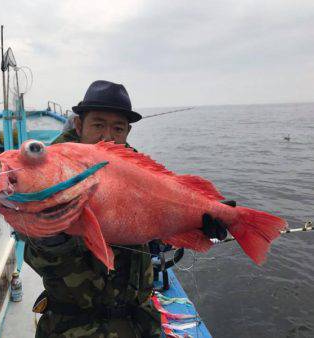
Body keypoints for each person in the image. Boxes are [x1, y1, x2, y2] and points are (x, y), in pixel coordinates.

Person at [24, 80, 228, 337]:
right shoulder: (51, 172)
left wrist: (199, 223)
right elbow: (37, 254)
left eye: (118, 128)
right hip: (74, 326)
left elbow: (156, 229)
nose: (107, 136)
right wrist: (52, 228)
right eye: (98, 124)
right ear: (79, 125)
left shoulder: (138, 171)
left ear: (127, 132)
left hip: (140, 321)